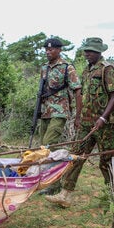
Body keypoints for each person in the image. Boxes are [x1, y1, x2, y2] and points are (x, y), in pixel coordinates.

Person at [45, 37, 114, 207]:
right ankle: (65, 194)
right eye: (86, 51)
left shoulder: (107, 69)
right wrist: (78, 117)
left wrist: (103, 118)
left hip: (104, 124)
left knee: (106, 160)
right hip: (86, 123)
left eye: (91, 51)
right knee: (76, 157)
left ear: (99, 52)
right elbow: (82, 96)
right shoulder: (86, 71)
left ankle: (113, 195)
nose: (87, 54)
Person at [37, 38, 82, 195]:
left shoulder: (67, 67)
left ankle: (54, 184)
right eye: (46, 50)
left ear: (59, 50)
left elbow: (77, 90)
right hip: (45, 112)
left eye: (51, 49)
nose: (48, 52)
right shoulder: (44, 68)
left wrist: (78, 115)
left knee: (48, 145)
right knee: (44, 147)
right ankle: (50, 181)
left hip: (60, 111)